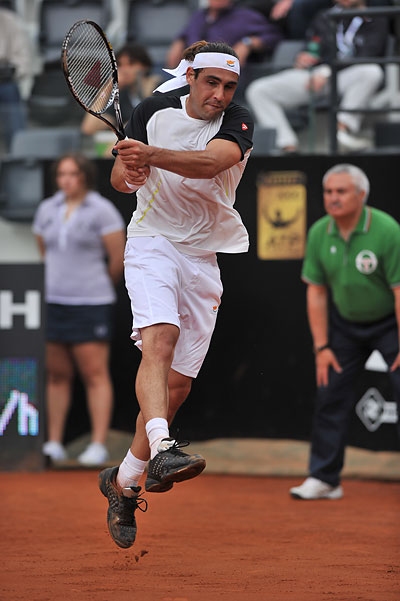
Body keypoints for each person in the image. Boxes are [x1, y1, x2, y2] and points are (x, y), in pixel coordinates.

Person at [98, 40, 254, 549]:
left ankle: (124, 481)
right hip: (152, 242)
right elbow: (120, 180)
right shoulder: (151, 110)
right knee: (159, 339)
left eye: (229, 86)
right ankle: (163, 447)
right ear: (190, 78)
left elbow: (210, 164)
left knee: (179, 386)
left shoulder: (238, 122)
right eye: (211, 83)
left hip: (204, 256)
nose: (220, 94)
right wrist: (130, 172)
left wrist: (150, 155)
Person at [290, 164, 400, 500]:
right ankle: (325, 479)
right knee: (330, 392)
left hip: (390, 323)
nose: (333, 198)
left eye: (341, 191)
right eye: (328, 191)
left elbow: (399, 290)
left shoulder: (387, 230)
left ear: (362, 195)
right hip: (345, 325)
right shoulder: (319, 232)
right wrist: (322, 347)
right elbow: (316, 292)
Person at [32, 153, 126, 466]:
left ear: (85, 176)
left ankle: (98, 444)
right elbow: (44, 251)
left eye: (72, 174)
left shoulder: (102, 210)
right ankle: (54, 443)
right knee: (57, 375)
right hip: (54, 302)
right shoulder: (47, 209)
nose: (66, 180)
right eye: (61, 174)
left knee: (95, 374)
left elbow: (117, 257)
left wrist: (96, 286)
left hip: (91, 303)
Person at [245, 0, 389, 153]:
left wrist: (327, 71)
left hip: (347, 75)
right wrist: (305, 56)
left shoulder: (376, 18)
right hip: (315, 75)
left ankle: (341, 132)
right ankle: (287, 147)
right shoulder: (325, 16)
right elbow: (313, 45)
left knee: (371, 71)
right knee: (259, 90)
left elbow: (366, 56)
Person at [166, 0, 283, 100]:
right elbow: (186, 34)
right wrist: (179, 42)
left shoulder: (245, 16)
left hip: (226, 77)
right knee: (166, 89)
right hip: (192, 74)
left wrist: (247, 43)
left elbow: (273, 35)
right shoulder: (198, 16)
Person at [81, 43, 161, 154]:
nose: (124, 70)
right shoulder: (122, 96)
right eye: (120, 65)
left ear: (145, 67)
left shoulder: (161, 89)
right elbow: (88, 128)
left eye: (131, 64)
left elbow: (148, 122)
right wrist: (108, 87)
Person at [0, 8, 30, 152]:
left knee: (10, 90)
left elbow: (23, 61)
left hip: (4, 81)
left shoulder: (9, 21)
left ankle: (18, 150)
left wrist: (10, 70)